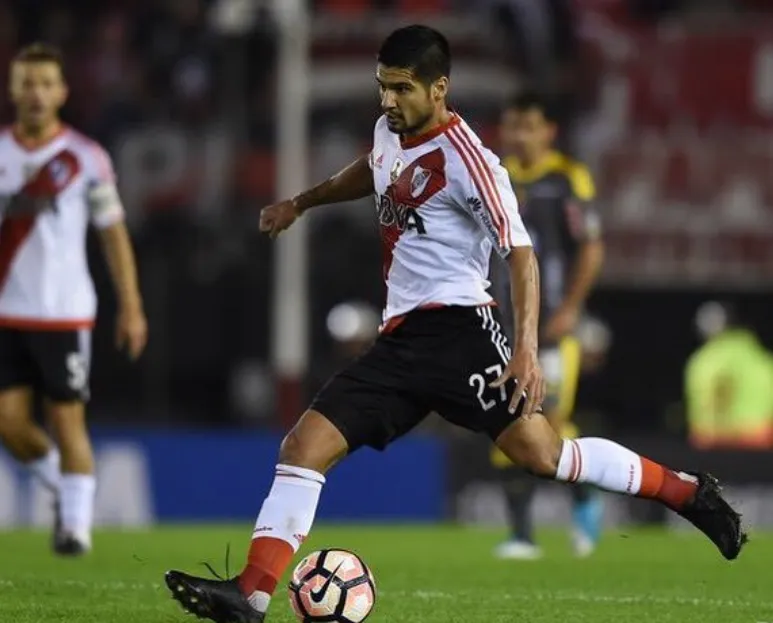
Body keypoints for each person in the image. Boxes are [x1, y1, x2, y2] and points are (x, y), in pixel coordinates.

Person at [164, 25, 746, 623]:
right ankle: (251, 596)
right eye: (382, 86)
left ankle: (688, 493)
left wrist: (524, 350)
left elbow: (521, 255)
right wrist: (302, 202)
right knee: (302, 447)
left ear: (439, 88)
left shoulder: (472, 162)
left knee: (545, 456)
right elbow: (374, 168)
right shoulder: (389, 128)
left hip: (462, 335)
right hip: (398, 343)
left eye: (401, 88)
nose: (388, 100)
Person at [0, 43, 147, 555]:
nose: (36, 92)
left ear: (62, 91)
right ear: (13, 89)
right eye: (27, 82)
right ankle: (65, 492)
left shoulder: (86, 158)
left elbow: (113, 234)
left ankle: (75, 529)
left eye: (46, 82)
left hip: (63, 312)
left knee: (67, 421)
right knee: (9, 424)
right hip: (6, 311)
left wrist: (131, 304)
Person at [489, 92, 605, 559]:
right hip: (501, 325)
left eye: (528, 127)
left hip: (552, 326)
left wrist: (572, 306)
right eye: (512, 126)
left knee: (550, 420)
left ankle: (584, 500)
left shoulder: (566, 179)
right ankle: (521, 535)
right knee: (504, 423)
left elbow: (591, 247)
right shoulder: (492, 176)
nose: (518, 135)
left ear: (548, 131)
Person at [685, 301, 773, 450]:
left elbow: (708, 395)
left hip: (725, 442)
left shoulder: (709, 358)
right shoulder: (759, 355)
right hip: (765, 438)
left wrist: (706, 433)